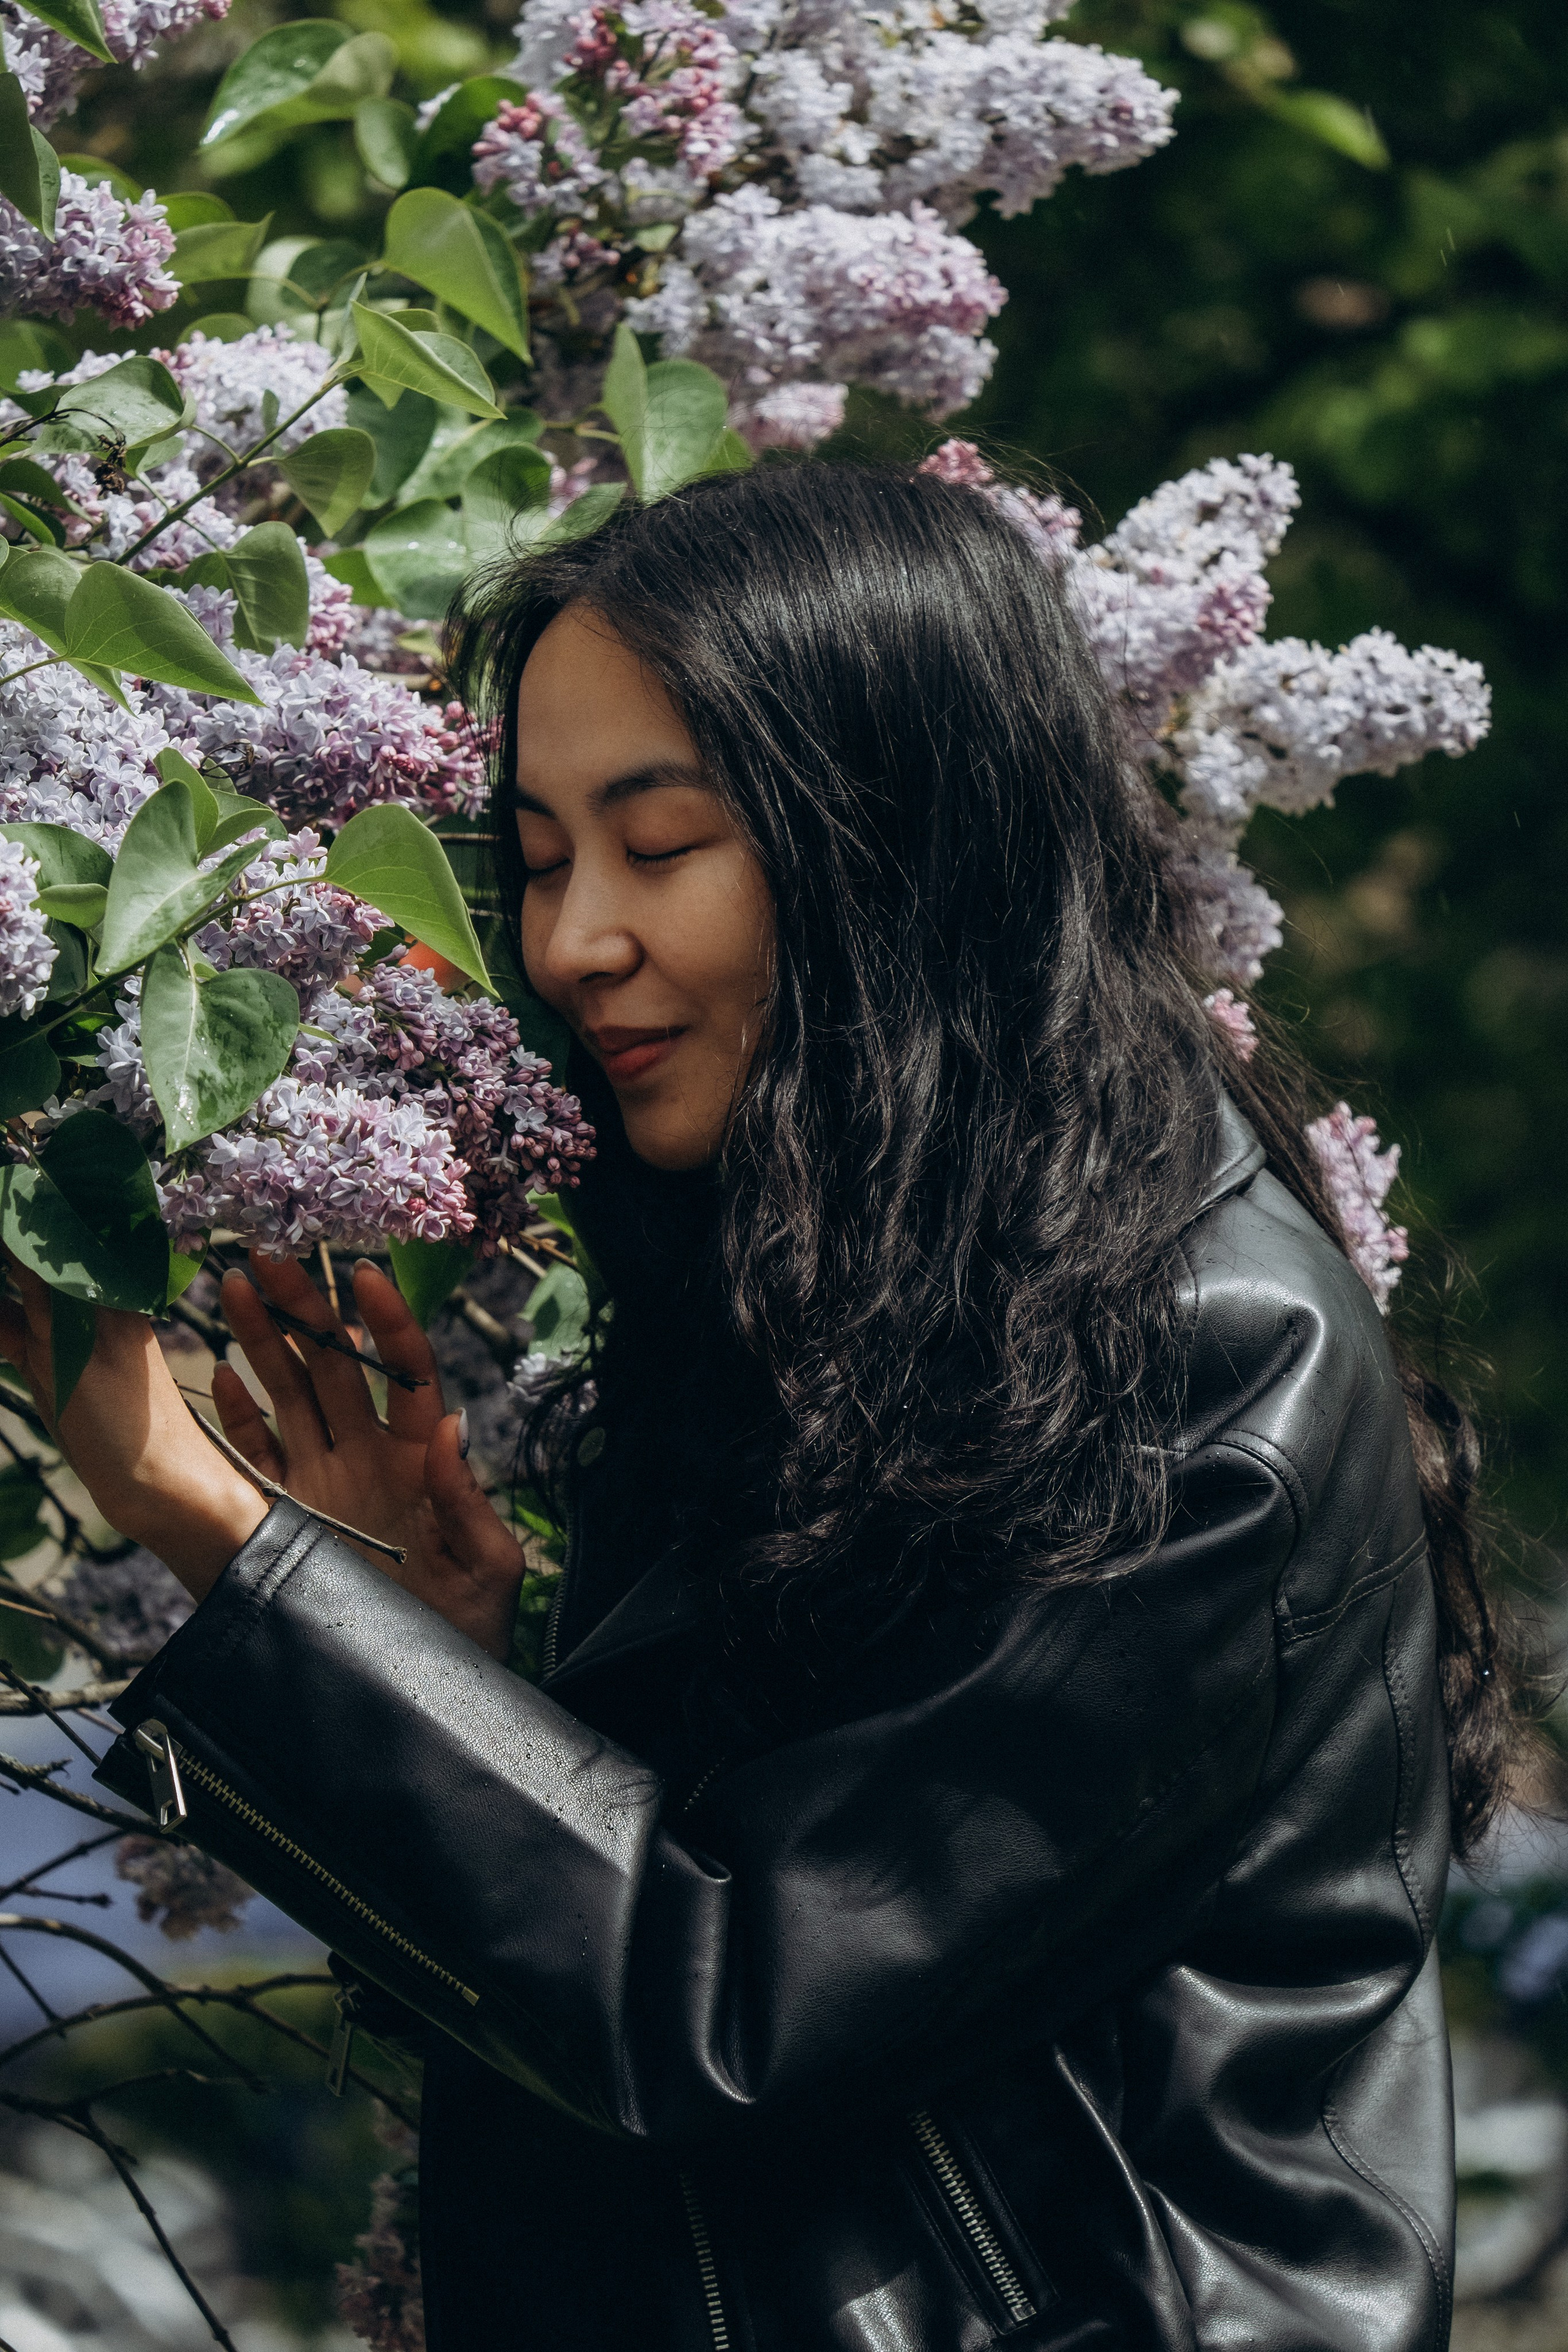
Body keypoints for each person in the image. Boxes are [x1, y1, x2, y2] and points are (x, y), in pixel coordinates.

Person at [0, 464, 1521, 2352]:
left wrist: (215, 1531)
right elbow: (701, 1951)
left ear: (897, 842)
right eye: (546, 857)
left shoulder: (1193, 1353)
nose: (569, 947)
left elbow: (722, 2010)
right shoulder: (842, 1280)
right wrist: (449, 1668)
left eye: (661, 845)